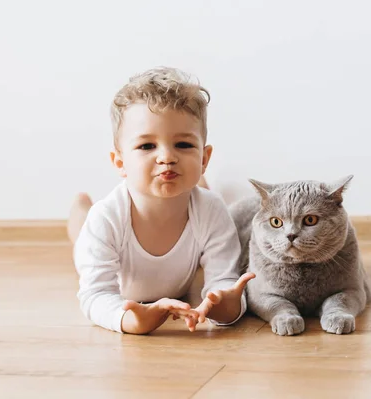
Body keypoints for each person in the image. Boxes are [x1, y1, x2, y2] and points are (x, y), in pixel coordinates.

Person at [68, 67, 255, 334]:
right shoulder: (106, 218)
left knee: (199, 195)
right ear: (120, 162)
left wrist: (225, 304)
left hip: (194, 207)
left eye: (183, 145)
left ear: (204, 159)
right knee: (83, 236)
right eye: (147, 146)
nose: (167, 157)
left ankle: (196, 181)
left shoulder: (211, 209)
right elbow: (95, 294)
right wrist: (128, 319)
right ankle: (80, 207)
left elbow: (223, 280)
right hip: (107, 246)